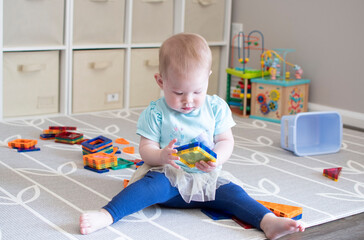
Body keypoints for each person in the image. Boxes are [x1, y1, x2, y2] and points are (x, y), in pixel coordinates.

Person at [79, 33, 305, 240]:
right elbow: (145, 149)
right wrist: (161, 156)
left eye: (197, 91)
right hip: (166, 181)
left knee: (234, 193)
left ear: (207, 77)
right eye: (178, 92)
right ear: (161, 82)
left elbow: (226, 141)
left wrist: (216, 158)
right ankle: (107, 214)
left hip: (205, 183)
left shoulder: (215, 107)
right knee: (144, 188)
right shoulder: (156, 112)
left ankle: (268, 222)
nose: (188, 100)